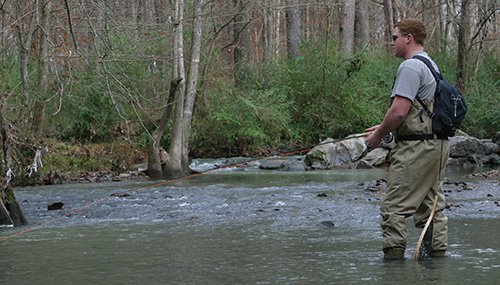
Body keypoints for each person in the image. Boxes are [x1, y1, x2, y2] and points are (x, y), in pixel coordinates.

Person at [364, 18, 450, 259]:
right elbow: (417, 113)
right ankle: (436, 265)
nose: (391, 42)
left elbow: (400, 111)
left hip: (417, 149)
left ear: (408, 38)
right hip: (437, 146)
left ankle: (393, 268)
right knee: (430, 207)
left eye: (394, 37)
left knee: (392, 208)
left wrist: (377, 137)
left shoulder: (410, 67)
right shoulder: (431, 65)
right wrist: (382, 127)